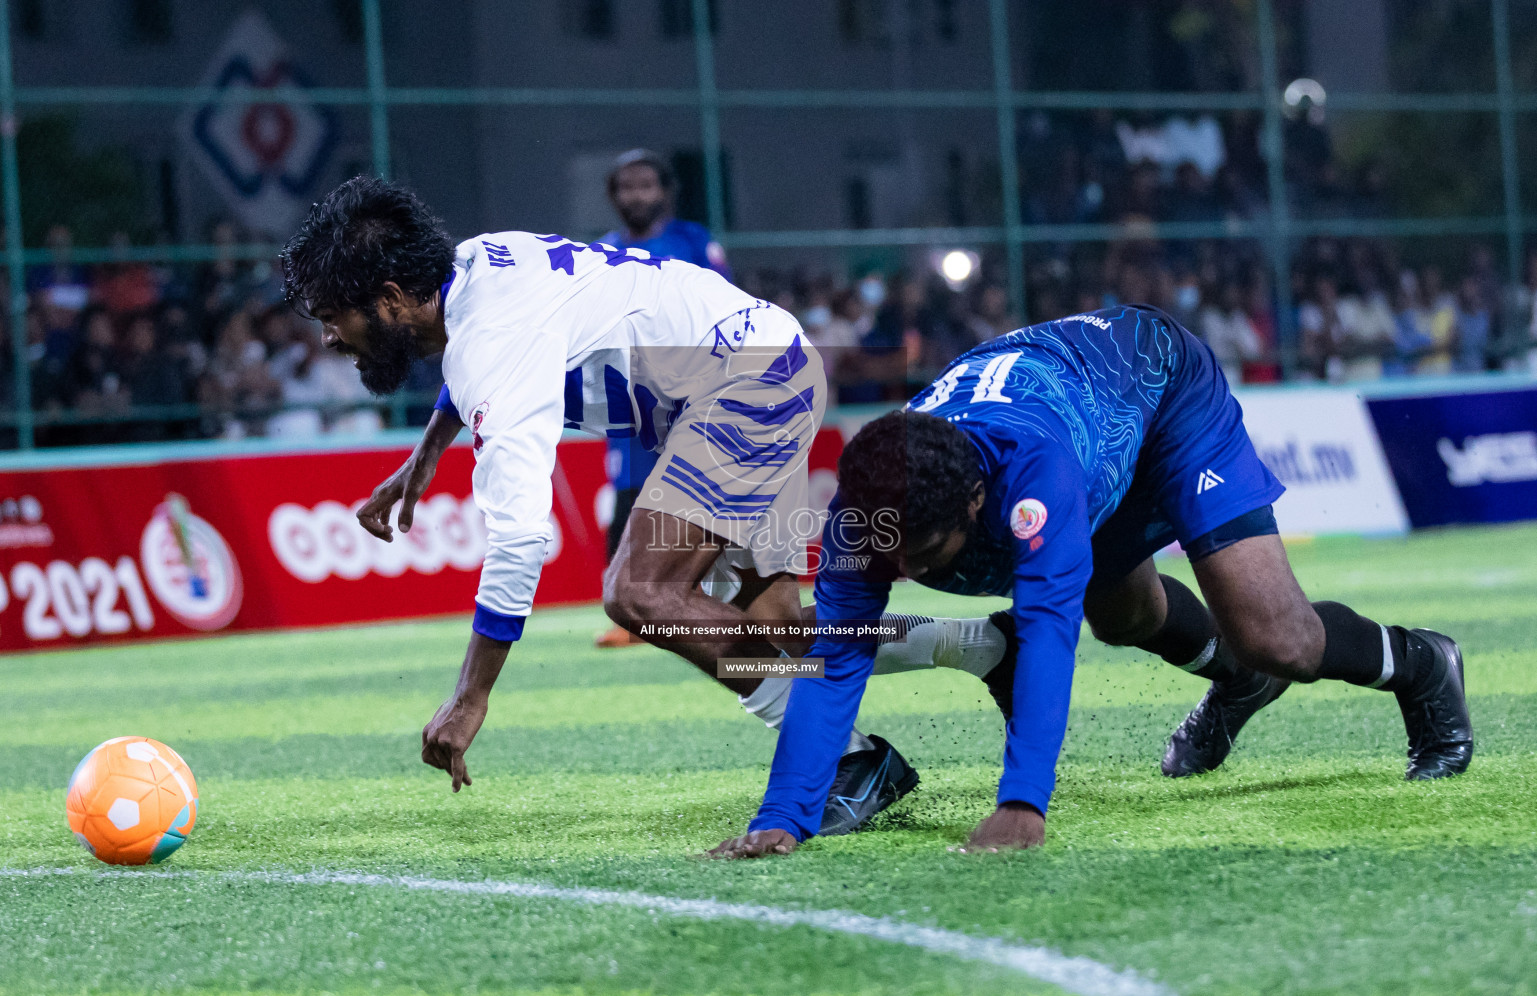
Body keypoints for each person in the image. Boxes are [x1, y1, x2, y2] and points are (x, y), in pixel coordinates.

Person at [281, 177, 1019, 837]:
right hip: (770, 359)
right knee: (780, 630)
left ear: (387, 297)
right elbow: (463, 355)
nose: (327, 335)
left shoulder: (490, 346)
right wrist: (428, 451)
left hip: (743, 385)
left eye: (331, 314)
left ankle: (851, 762)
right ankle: (987, 648)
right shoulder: (477, 260)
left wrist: (469, 696)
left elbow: (517, 538)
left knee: (641, 593)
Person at [709, 304, 1472, 859]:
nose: (906, 573)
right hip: (1079, 415)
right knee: (1125, 614)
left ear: (978, 501)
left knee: (1279, 639)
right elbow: (835, 655)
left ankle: (1420, 663)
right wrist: (784, 816)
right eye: (893, 555)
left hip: (1162, 394)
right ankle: (1234, 681)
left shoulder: (1030, 479)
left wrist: (1020, 804)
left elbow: (1044, 632)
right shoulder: (863, 510)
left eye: (928, 553)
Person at [592, 149, 733, 648]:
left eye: (646, 185)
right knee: (630, 495)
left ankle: (719, 601)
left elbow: (728, 308)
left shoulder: (694, 242)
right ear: (614, 195)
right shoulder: (598, 254)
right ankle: (631, 615)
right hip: (630, 398)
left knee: (709, 496)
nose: (637, 195)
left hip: (696, 392)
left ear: (665, 191)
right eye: (627, 187)